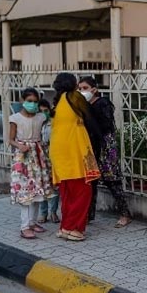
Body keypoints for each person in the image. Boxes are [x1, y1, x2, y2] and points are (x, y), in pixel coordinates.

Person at [50, 73, 102, 241]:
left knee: (68, 194)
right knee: (83, 192)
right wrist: (101, 138)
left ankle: (65, 228)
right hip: (75, 151)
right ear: (72, 84)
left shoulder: (57, 101)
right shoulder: (74, 96)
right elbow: (90, 119)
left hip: (59, 153)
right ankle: (75, 229)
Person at [78, 76, 133, 228]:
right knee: (91, 182)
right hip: (90, 146)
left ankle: (125, 214)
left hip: (105, 146)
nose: (82, 91)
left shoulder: (102, 103)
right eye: (80, 88)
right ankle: (89, 215)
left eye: (85, 88)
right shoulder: (82, 105)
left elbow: (106, 125)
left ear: (94, 89)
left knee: (112, 181)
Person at [9, 87, 56, 239]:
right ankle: (24, 227)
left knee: (37, 190)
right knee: (25, 191)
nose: (33, 104)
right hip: (23, 158)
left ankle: (32, 222)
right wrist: (19, 145)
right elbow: (10, 139)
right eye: (29, 101)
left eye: (35, 102)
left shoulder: (41, 117)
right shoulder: (15, 118)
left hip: (38, 156)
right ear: (22, 101)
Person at [37, 98, 60, 224]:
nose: (44, 113)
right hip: (40, 158)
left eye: (46, 110)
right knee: (42, 186)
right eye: (41, 111)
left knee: (54, 186)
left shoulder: (53, 123)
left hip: (52, 157)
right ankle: (43, 213)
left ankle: (53, 212)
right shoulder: (36, 124)